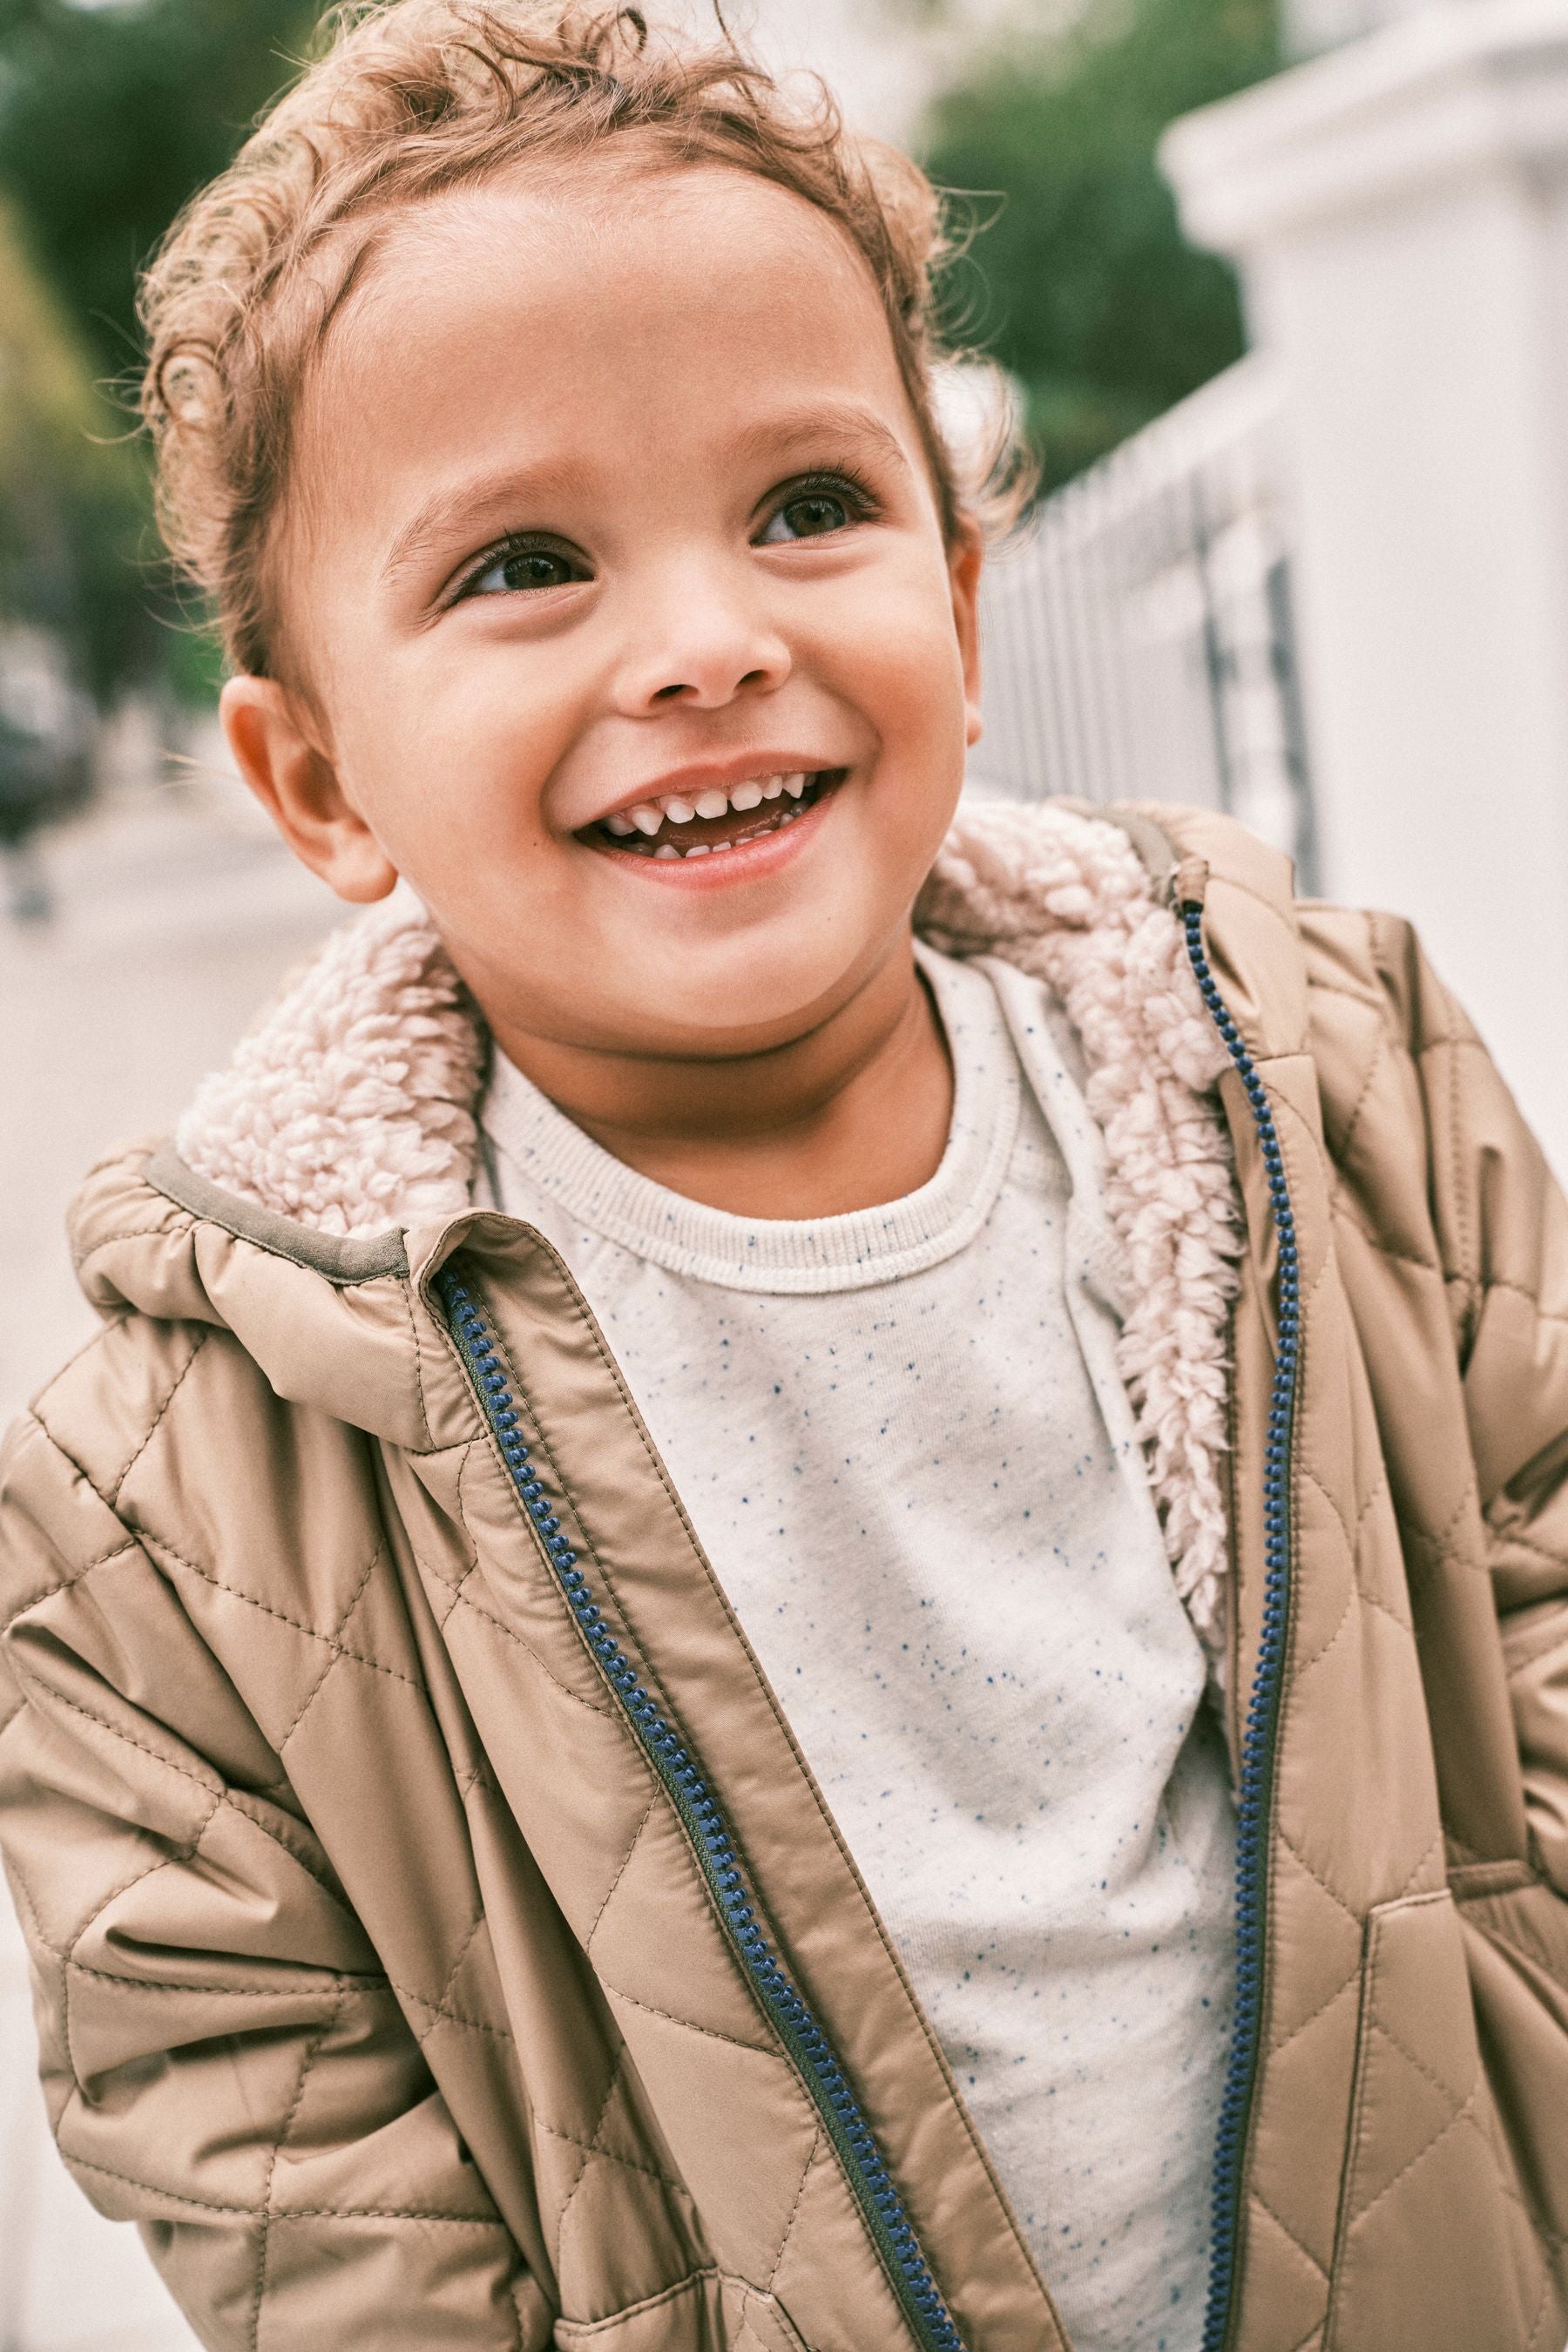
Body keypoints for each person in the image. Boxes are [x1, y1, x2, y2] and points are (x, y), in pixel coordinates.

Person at [0, 4, 1564, 2347]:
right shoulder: (171, 1508)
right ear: (316, 779)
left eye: (809, 509)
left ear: (953, 592)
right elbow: (262, 2124)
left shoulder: (1335, 1080)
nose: (712, 641)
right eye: (527, 562)